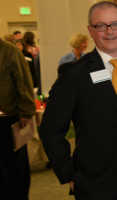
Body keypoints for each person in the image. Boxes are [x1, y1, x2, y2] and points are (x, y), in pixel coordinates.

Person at [39, 1, 117, 200]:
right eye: (101, 26)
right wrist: (69, 175)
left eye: (115, 24)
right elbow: (51, 130)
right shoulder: (73, 75)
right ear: (91, 31)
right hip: (95, 183)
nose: (109, 31)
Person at [0, 38, 36, 199]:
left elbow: (24, 81)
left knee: (15, 165)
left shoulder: (10, 51)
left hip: (11, 118)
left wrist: (25, 111)